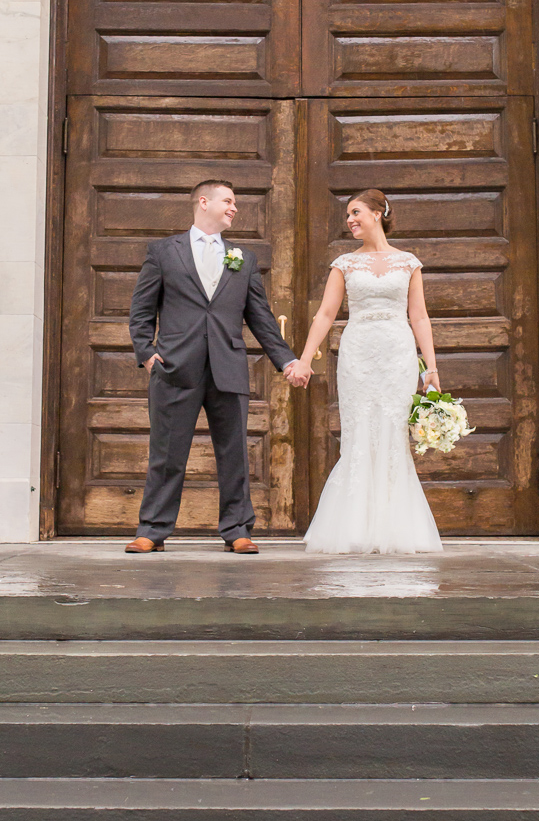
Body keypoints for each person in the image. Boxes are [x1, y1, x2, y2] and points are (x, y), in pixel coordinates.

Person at [126, 180, 297, 554]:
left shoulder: (244, 258)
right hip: (174, 368)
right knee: (166, 454)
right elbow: (141, 310)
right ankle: (151, 530)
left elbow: (261, 318)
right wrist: (147, 352)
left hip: (228, 367)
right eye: (228, 201)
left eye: (235, 203)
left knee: (234, 453)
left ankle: (237, 529)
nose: (234, 208)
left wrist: (286, 360)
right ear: (204, 202)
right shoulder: (163, 252)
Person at [288, 188, 443, 554]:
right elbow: (325, 314)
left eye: (356, 212)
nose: (350, 220)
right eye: (347, 216)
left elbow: (418, 316)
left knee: (392, 433)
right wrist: (306, 358)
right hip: (357, 353)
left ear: (378, 213)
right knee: (358, 434)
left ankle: (394, 528)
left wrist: (430, 367)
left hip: (397, 355)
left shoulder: (408, 263)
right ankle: (354, 526)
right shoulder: (344, 263)